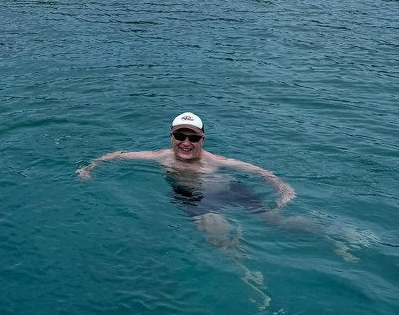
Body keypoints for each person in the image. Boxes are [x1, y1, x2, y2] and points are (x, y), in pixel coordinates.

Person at [76, 111, 352, 299]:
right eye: (180, 136)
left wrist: (284, 191)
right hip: (197, 197)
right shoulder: (159, 157)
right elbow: (119, 155)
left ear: (202, 139)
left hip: (231, 189)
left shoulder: (216, 161)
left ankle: (332, 236)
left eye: (193, 137)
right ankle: (247, 271)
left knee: (276, 222)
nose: (186, 143)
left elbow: (263, 173)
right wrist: (89, 167)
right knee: (216, 228)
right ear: (171, 137)